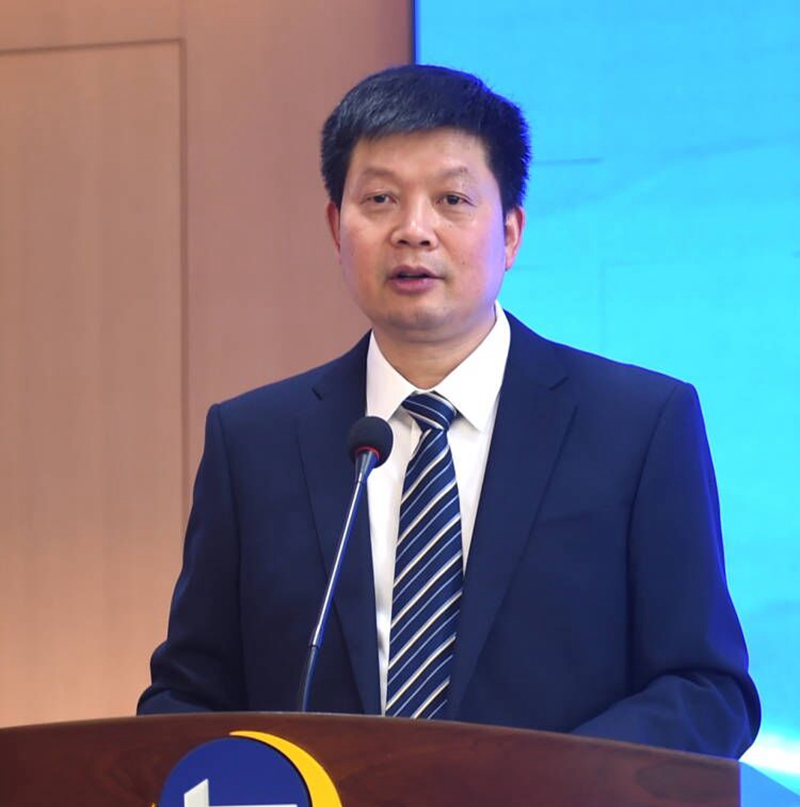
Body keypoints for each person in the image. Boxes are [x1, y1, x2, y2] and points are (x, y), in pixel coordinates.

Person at [138, 64, 760, 758]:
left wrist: (552, 785)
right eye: (379, 199)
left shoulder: (639, 425)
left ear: (512, 233)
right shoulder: (254, 442)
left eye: (452, 199)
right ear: (335, 228)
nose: (413, 230)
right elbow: (187, 696)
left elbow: (707, 690)